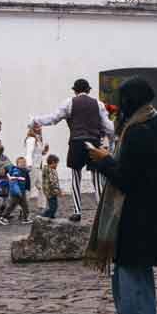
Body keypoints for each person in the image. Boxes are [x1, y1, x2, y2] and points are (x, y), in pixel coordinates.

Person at [85, 77, 157, 314]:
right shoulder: (153, 123)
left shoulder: (138, 132)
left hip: (136, 219)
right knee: (129, 290)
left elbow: (126, 177)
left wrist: (103, 160)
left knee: (133, 294)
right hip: (146, 216)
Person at [29, 78, 114, 223]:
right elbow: (109, 128)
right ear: (88, 90)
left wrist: (35, 120)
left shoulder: (69, 103)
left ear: (75, 91)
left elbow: (53, 118)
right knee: (97, 177)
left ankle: (77, 211)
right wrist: (111, 143)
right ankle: (102, 211)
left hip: (76, 141)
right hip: (93, 142)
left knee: (76, 176)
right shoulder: (98, 104)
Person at [0, 157, 32, 224]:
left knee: (25, 205)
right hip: (15, 193)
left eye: (24, 162)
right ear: (17, 164)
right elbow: (14, 183)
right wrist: (17, 191)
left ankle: (26, 218)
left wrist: (31, 168)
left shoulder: (23, 170)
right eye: (21, 163)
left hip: (22, 192)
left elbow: (27, 172)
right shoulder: (16, 171)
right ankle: (3, 217)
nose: (23, 164)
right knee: (11, 205)